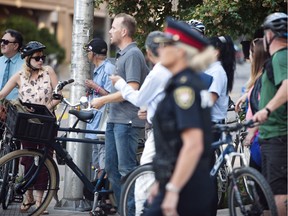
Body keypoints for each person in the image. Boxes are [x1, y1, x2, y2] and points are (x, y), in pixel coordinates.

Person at [143, 17, 215, 216]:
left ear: (181, 51)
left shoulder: (185, 89)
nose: (160, 49)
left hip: (186, 187)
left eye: (166, 44)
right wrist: (162, 183)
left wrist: (173, 190)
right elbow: (174, 146)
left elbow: (193, 145)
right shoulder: (181, 83)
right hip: (180, 181)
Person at [110, 31, 172, 215]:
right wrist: (150, 108)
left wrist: (121, 83)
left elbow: (138, 98)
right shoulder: (173, 69)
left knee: (143, 180)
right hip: (172, 130)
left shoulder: (159, 71)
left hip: (160, 132)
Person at [91, 13, 149, 210]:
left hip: (128, 122)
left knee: (126, 170)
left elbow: (131, 89)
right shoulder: (122, 55)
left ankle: (132, 212)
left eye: (113, 27)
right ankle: (125, 209)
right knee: (111, 169)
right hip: (115, 120)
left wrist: (102, 100)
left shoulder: (133, 54)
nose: (109, 31)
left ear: (124, 32)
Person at [0, 41, 60, 214]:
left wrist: (47, 107)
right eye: (37, 58)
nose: (41, 60)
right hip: (26, 123)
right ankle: (29, 197)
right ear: (27, 59)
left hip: (47, 122)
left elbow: (58, 94)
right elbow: (3, 94)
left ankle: (41, 201)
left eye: (42, 57)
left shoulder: (48, 71)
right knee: (27, 160)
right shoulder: (19, 76)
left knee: (45, 160)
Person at [252, 12, 287, 216]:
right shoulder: (275, 59)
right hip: (270, 135)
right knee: (273, 192)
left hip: (278, 136)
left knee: (279, 193)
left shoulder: (281, 57)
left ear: (271, 34)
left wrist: (267, 110)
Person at [235, 38, 269, 170]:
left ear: (256, 55)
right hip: (258, 138)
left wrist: (250, 135)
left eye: (250, 53)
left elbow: (263, 109)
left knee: (258, 186)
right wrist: (245, 96)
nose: (248, 56)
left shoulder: (262, 79)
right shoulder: (260, 78)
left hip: (259, 138)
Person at [83, 38, 114, 178]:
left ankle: (104, 194)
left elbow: (110, 95)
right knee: (96, 155)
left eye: (88, 51)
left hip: (104, 119)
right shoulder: (97, 68)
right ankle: (98, 188)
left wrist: (94, 86)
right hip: (95, 119)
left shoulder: (108, 69)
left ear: (94, 53)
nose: (87, 55)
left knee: (102, 154)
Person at [0, 29, 24, 133]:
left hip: (15, 112)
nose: (2, 44)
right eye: (1, 41)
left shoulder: (26, 65)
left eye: (5, 42)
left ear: (15, 46)